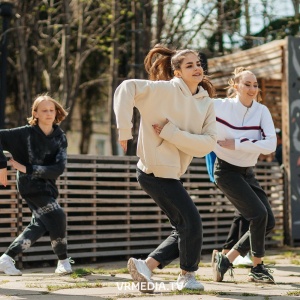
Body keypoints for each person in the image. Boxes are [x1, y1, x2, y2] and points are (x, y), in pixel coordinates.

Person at [113, 44, 217, 292]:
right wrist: (124, 130)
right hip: (153, 170)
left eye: (198, 63)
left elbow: (207, 144)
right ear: (177, 72)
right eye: (189, 64)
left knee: (184, 226)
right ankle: (187, 275)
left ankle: (145, 266)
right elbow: (126, 87)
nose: (196, 68)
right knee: (192, 222)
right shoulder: (163, 90)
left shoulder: (206, 103)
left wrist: (172, 133)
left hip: (170, 173)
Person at [210, 67, 277, 283]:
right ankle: (257, 268)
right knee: (258, 215)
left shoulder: (262, 111)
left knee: (268, 221)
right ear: (235, 86)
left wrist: (237, 144)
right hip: (226, 171)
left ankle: (226, 260)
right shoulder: (220, 106)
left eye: (255, 85)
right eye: (247, 84)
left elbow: (270, 145)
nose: (252, 89)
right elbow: (192, 110)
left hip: (247, 172)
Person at [0, 95, 73, 276]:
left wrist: (27, 167)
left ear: (56, 112)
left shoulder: (60, 137)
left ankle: (7, 258)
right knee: (57, 215)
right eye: (44, 110)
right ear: (35, 113)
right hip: (29, 185)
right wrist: (2, 166)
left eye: (51, 110)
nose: (49, 114)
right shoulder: (24, 133)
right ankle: (63, 260)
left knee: (41, 223)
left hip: (49, 186)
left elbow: (58, 169)